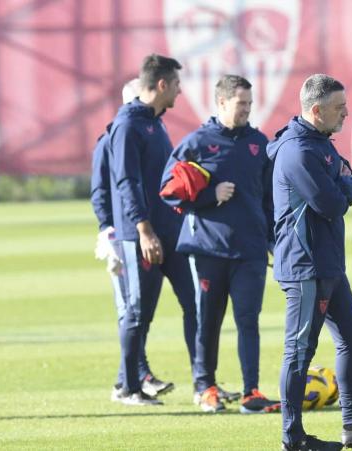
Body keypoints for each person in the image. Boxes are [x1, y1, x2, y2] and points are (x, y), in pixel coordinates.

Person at [268, 74, 352, 451]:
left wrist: (341, 185)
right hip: (306, 265)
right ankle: (292, 438)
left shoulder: (320, 145)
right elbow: (330, 202)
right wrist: (340, 186)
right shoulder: (299, 151)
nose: (346, 113)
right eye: (338, 107)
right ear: (316, 110)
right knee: (299, 350)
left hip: (326, 262)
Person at [160, 75, 279, 414]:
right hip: (209, 249)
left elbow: (270, 198)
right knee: (208, 320)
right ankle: (205, 387)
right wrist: (210, 197)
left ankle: (251, 393)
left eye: (249, 104)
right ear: (223, 103)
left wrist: (273, 239)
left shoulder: (259, 143)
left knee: (248, 320)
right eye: (241, 104)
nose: (247, 110)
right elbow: (168, 190)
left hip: (251, 250)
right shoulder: (197, 142)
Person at [105, 55, 196, 406]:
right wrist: (144, 231)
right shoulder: (128, 124)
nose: (180, 90)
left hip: (170, 232)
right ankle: (127, 387)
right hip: (141, 235)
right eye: (176, 84)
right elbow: (126, 181)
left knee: (194, 304)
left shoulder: (155, 123)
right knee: (137, 311)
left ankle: (204, 383)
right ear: (161, 85)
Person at [90, 78, 178, 403]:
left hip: (143, 231)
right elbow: (101, 189)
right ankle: (132, 380)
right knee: (131, 309)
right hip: (123, 236)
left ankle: (133, 376)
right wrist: (107, 231)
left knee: (137, 309)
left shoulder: (153, 129)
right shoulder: (113, 138)